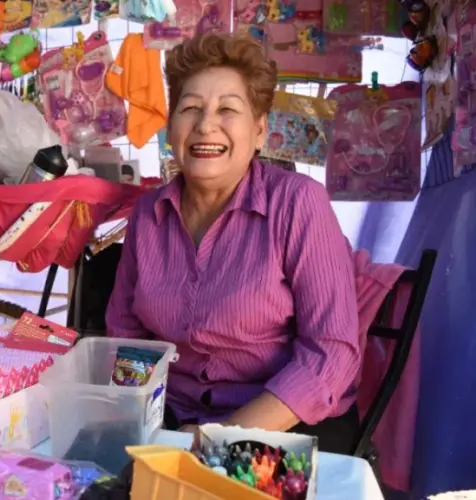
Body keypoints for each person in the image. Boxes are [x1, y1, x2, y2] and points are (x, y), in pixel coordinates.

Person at [105, 32, 361, 454]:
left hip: (281, 423)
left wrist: (215, 438)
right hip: (172, 418)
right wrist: (131, 425)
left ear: (259, 131)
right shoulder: (148, 215)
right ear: (172, 129)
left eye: (228, 109)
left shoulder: (297, 203)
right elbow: (126, 335)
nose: (206, 125)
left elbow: (330, 355)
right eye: (190, 108)